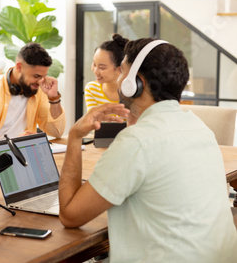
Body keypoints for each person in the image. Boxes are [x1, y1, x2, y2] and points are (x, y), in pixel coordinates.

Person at [59, 38, 237, 262]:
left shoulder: (136, 142)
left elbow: (69, 214)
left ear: (136, 83)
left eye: (122, 71)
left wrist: (75, 136)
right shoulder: (200, 128)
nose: (119, 79)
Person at [0, 42, 65, 140]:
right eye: (36, 76)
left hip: (23, 153)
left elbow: (57, 132)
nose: (40, 81)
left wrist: (54, 98)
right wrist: (14, 144)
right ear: (19, 67)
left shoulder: (37, 89)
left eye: (43, 76)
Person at [85, 34, 128, 112]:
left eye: (102, 68)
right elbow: (94, 122)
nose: (95, 71)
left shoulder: (132, 93)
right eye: (94, 64)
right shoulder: (92, 89)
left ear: (119, 70)